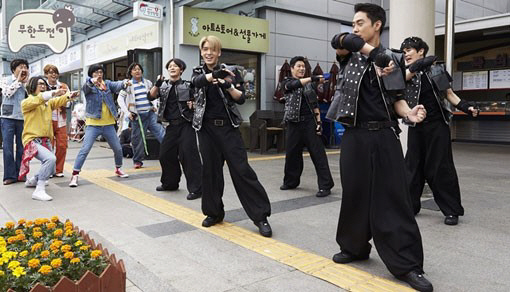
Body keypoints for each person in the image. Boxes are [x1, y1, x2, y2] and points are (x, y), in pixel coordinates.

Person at [328, 3, 433, 292]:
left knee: (393, 198)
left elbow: (397, 99)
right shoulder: (349, 54)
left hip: (384, 135)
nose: (355, 27)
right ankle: (354, 247)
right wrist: (372, 53)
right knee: (354, 194)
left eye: (361, 22)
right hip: (353, 136)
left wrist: (409, 113)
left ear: (377, 25)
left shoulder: (395, 60)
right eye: (353, 22)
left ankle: (408, 264)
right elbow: (340, 41)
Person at [191, 35, 272, 237]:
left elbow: (241, 98)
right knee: (210, 172)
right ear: (201, 52)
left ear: (219, 52)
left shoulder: (231, 72)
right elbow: (196, 83)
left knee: (242, 170)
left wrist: (227, 85)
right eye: (205, 49)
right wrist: (213, 76)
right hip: (206, 130)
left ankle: (261, 216)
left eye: (212, 49)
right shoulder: (198, 72)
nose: (208, 53)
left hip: (228, 128)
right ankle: (214, 213)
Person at [400, 36, 479, 226]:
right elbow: (401, 79)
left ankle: (451, 210)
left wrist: (466, 106)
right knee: (412, 167)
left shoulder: (436, 70)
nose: (406, 54)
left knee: (441, 167)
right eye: (404, 52)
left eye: (409, 50)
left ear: (421, 51)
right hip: (416, 126)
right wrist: (416, 66)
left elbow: (449, 95)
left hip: (437, 126)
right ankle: (411, 206)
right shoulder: (405, 71)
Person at [280, 56, 334, 197]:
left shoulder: (309, 85)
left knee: (318, 154)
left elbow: (315, 105)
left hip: (309, 122)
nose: (302, 69)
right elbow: (294, 85)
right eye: (298, 66)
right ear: (292, 68)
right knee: (292, 154)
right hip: (293, 123)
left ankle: (325, 185)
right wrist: (313, 78)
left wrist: (318, 123)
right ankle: (290, 182)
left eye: (303, 67)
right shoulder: (286, 82)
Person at [69, 64, 131, 187]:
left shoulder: (107, 84)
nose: (99, 74)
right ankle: (75, 175)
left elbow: (117, 85)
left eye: (101, 72)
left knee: (118, 149)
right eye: (96, 72)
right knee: (85, 150)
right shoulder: (89, 84)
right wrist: (93, 81)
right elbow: (85, 88)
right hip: (93, 124)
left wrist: (125, 82)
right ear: (91, 74)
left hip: (108, 124)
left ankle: (118, 168)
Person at [149, 58, 202, 200]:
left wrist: (193, 106)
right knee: (165, 155)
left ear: (181, 70)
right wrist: (157, 83)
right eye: (170, 66)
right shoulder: (163, 86)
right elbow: (151, 96)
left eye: (175, 66)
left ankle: (197, 189)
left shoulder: (188, 85)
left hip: (186, 124)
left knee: (189, 156)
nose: (172, 68)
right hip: (171, 126)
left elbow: (200, 102)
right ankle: (170, 183)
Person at [19, 76, 78, 200]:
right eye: (40, 84)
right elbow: (40, 99)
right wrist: (53, 92)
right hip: (32, 139)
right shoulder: (27, 102)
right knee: (50, 159)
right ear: (32, 86)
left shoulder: (47, 104)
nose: (42, 86)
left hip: (45, 140)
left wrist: (69, 96)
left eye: (44, 84)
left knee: (51, 168)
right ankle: (39, 189)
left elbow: (57, 101)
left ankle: (34, 180)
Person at [118, 63, 164, 169]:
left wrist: (155, 105)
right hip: (137, 117)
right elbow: (120, 99)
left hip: (150, 114)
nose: (137, 71)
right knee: (137, 139)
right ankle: (138, 161)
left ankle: (173, 154)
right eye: (134, 70)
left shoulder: (147, 82)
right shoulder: (128, 84)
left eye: (139, 69)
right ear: (130, 72)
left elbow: (154, 94)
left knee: (161, 133)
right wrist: (127, 112)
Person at [1, 59, 29, 185]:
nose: (23, 69)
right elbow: (7, 93)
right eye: (20, 67)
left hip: (22, 118)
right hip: (7, 118)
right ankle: (9, 175)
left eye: (25, 67)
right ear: (13, 69)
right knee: (7, 147)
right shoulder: (5, 80)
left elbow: (33, 95)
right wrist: (18, 81)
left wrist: (26, 82)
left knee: (22, 147)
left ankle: (21, 174)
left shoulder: (27, 82)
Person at [44, 64, 70, 178]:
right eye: (50, 72)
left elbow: (69, 102)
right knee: (48, 146)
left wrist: (64, 100)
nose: (53, 74)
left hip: (61, 119)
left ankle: (59, 170)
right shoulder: (42, 85)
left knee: (62, 145)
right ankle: (49, 170)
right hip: (46, 120)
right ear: (46, 75)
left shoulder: (63, 86)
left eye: (55, 72)